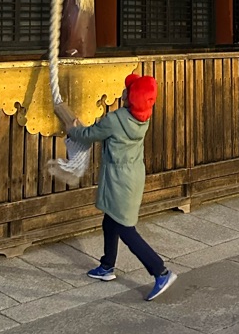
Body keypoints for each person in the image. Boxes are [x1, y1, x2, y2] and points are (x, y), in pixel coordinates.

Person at [67, 74, 177, 302]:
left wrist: (72, 128)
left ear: (131, 97)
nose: (123, 91)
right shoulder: (142, 118)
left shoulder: (115, 119)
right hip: (133, 176)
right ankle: (107, 266)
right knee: (110, 220)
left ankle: (160, 272)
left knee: (126, 229)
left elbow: (89, 135)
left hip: (119, 180)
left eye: (128, 89)